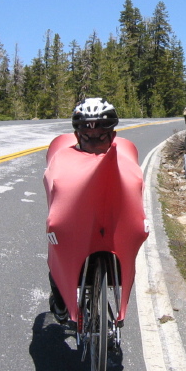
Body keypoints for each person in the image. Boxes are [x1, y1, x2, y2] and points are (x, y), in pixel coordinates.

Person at [47, 97, 120, 323]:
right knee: (57, 251)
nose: (95, 141)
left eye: (101, 136)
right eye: (88, 137)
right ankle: (60, 299)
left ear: (112, 136)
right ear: (78, 136)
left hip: (109, 225)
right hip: (78, 223)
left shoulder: (121, 158)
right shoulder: (66, 158)